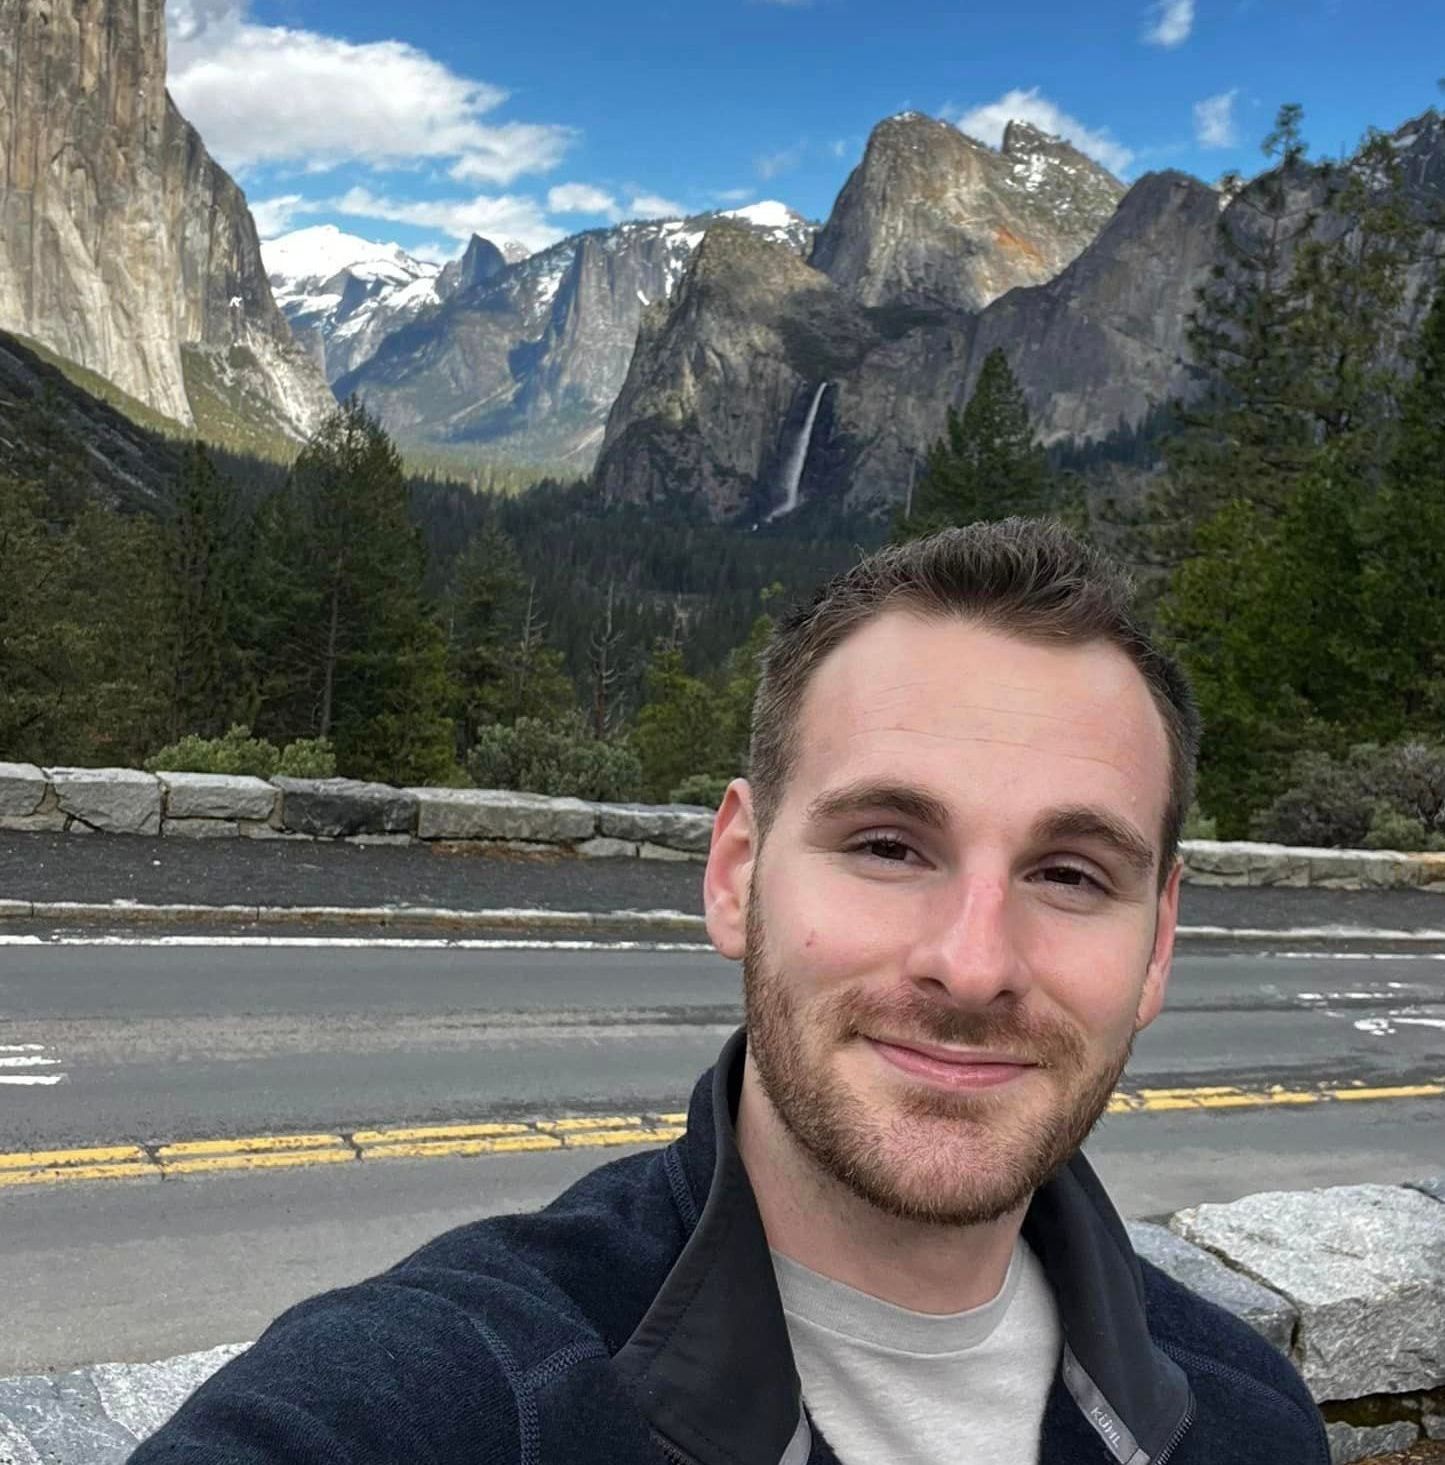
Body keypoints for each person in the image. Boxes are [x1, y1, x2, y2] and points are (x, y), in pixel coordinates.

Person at [131, 520, 1328, 1465]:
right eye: (886, 845)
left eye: (1068, 875)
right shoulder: (462, 1392)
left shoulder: (1252, 1422)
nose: (972, 964)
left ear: (1158, 941)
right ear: (735, 873)